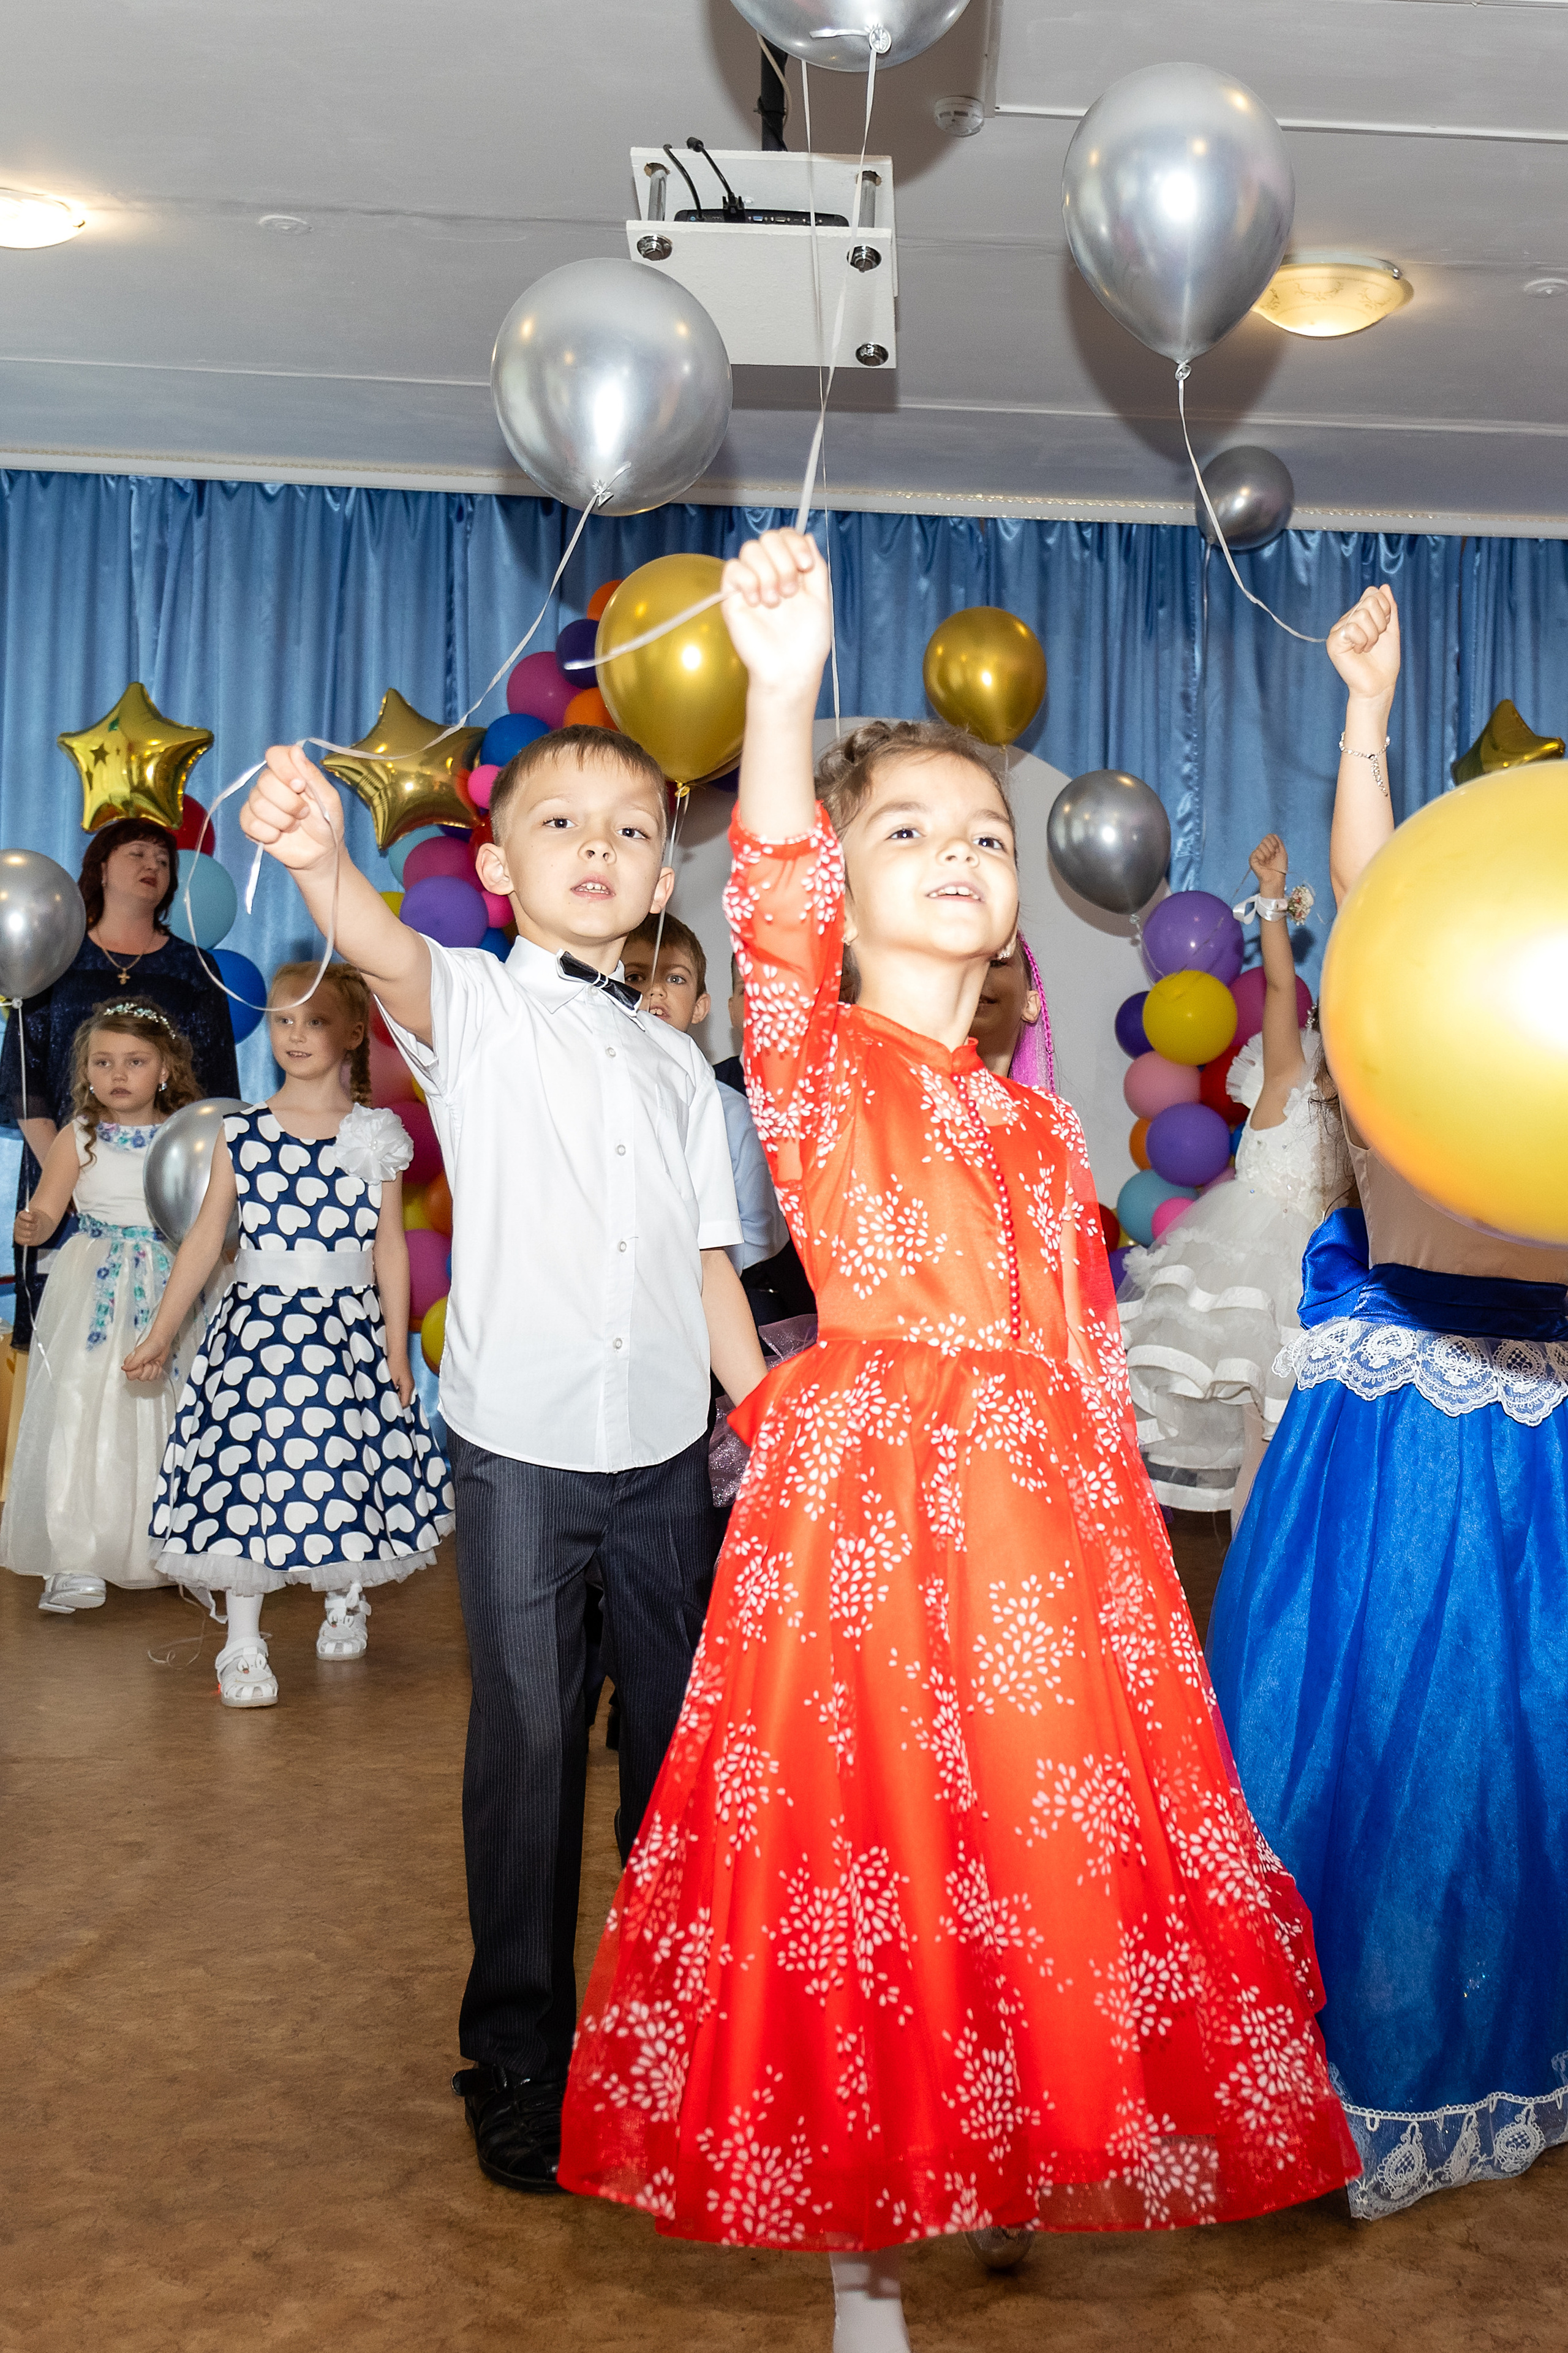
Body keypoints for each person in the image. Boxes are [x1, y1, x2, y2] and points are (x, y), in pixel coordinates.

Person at [560, 531, 1357, 2350]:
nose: (958, 853)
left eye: (984, 837)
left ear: (1015, 909)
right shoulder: (819, 1053)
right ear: (846, 888)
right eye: (909, 828)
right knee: (871, 1851)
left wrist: (1127, 1583)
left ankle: (989, 2132)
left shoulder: (1036, 1129)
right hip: (869, 1510)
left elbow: (1079, 1347)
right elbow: (761, 883)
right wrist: (780, 689)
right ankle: (862, 2256)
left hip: (1037, 1524)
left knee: (1019, 1849)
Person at [236, 723, 764, 2192]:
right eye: (560, 824)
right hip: (521, 1449)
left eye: (628, 830)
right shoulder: (468, 1005)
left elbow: (712, 1266)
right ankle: (518, 2060)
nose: (597, 850)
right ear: (496, 863)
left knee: (669, 1760)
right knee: (527, 1754)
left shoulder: (679, 1069)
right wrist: (318, 855)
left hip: (666, 1450)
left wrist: (767, 1417)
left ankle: (666, 2038)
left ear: (666, 866)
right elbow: (382, 948)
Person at [1207, 584, 1568, 2219]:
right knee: (1387, 1731)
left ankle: (1510, 2028)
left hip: (1546, 1408)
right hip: (1401, 1407)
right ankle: (1333, 2055)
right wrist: (1366, 717)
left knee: (1523, 1751)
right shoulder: (1416, 968)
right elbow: (1371, 894)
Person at [125, 964, 452, 1707]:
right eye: (282, 1020)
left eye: (313, 1020)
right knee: (250, 1471)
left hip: (345, 1335)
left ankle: (346, 1589)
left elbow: (388, 1248)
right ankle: (242, 1643)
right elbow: (208, 1237)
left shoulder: (376, 1134)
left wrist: (397, 1348)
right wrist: (162, 1332)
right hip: (257, 1334)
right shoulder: (240, 1132)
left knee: (339, 1461)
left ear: (353, 1033)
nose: (295, 1035)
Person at [1117, 833, 1352, 1527]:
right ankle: (1249, 1592)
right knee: (1260, 1444)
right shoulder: (1287, 1074)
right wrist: (1271, 900)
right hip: (1256, 1270)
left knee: (1310, 1457)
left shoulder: (1371, 1115)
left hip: (1330, 1278)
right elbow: (1280, 984)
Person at [1, 1002, 209, 1612]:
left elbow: (207, 1215)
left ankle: (175, 1545)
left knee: (175, 1414)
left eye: (135, 1061)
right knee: (83, 1409)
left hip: (171, 1287)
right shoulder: (79, 1137)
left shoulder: (188, 1135)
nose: (118, 1074)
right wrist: (33, 1223)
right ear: (87, 1072)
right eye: (103, 1062)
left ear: (165, 1068)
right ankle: (77, 1555)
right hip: (95, 1283)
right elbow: (45, 1214)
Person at [0, 817, 239, 1346]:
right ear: (101, 867)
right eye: (138, 853)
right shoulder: (56, 954)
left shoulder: (196, 968)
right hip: (66, 1167)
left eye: (163, 859)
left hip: (166, 1195)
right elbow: (24, 1078)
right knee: (67, 1348)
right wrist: (70, 1176)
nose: (153, 865)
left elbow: (217, 1090)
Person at [621, 913, 790, 1283]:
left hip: (731, 1288)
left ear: (701, 1007)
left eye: (674, 978)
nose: (654, 991)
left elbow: (758, 1231)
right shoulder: (595, 1090)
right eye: (634, 977)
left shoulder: (723, 1106)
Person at [968, 932, 1055, 1092]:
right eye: (963, 963)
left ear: (1030, 1005)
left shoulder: (1053, 1114)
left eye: (997, 963)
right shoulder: (911, 1100)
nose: (977, 972)